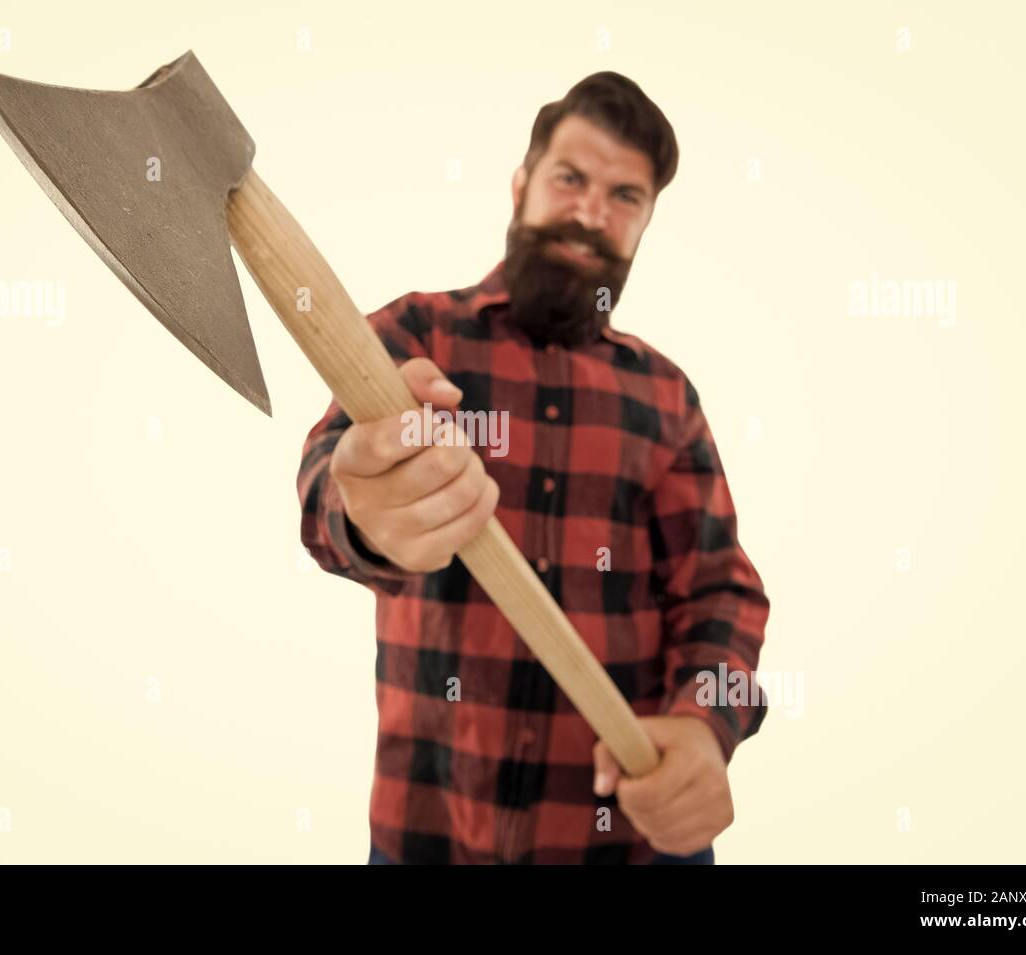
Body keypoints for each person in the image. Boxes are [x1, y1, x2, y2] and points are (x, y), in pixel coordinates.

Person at [297, 71, 769, 864]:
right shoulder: (411, 337)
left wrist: (704, 724)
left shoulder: (665, 397)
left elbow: (721, 591)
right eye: (571, 178)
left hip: (632, 845)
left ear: (647, 222)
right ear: (522, 183)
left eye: (626, 197)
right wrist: (365, 513)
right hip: (432, 836)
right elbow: (321, 495)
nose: (590, 214)